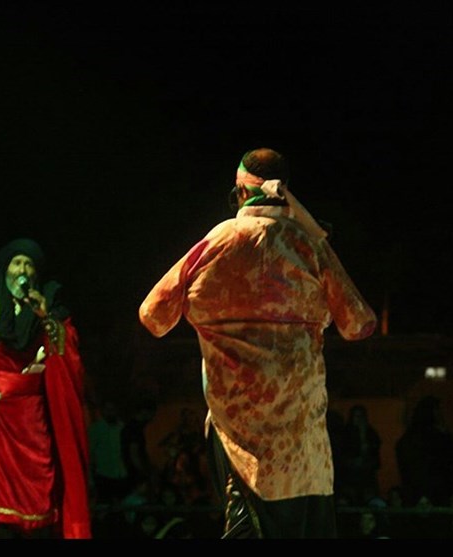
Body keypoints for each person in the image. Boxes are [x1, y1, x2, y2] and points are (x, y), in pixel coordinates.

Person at [139, 147, 377, 539]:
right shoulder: (309, 245)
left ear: (240, 193)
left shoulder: (218, 241)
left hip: (240, 444)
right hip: (304, 453)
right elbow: (359, 325)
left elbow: (153, 317)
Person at [0, 238, 91, 539]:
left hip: (33, 417)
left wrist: (45, 316)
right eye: (16, 263)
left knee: (41, 486)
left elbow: (66, 351)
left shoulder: (47, 308)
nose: (22, 270)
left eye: (28, 264)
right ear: (5, 269)